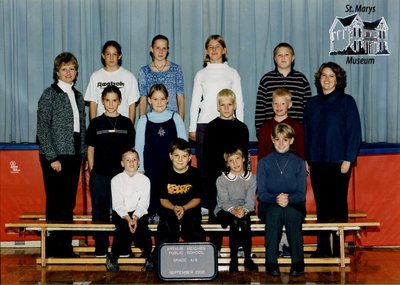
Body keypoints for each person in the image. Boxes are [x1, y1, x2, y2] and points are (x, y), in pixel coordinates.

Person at [304, 62, 362, 258]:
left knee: (338, 205)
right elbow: (306, 133)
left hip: (339, 162)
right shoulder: (311, 104)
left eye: (331, 76)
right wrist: (307, 157)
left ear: (338, 80)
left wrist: (348, 158)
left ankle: (338, 248)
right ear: (318, 79)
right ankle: (322, 248)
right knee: (322, 205)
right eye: (323, 76)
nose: (326, 80)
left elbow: (354, 132)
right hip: (318, 161)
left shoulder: (347, 101)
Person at [37, 52, 86, 257]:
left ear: (76, 72)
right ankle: (54, 248)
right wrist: (52, 158)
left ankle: (65, 247)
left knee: (68, 203)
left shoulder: (78, 95)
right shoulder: (49, 94)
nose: (68, 72)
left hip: (74, 155)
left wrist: (82, 154)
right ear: (57, 71)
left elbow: (81, 127)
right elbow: (42, 129)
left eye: (72, 69)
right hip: (56, 156)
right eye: (64, 68)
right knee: (56, 203)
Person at [189, 34, 244, 210]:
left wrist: (239, 126)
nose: (214, 50)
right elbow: (195, 102)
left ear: (224, 50)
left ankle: (230, 203)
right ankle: (207, 204)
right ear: (206, 51)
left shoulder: (232, 73)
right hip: (205, 125)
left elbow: (239, 102)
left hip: (229, 125)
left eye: (217, 46)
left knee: (228, 165)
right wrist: (192, 127)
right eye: (210, 47)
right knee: (206, 166)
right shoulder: (201, 74)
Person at [86, 85, 135, 257]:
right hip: (100, 175)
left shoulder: (127, 123)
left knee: (122, 210)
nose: (111, 104)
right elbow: (90, 148)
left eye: (114, 100)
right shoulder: (95, 123)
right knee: (100, 211)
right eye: (107, 100)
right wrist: (92, 170)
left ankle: (122, 246)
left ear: (120, 101)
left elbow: (131, 151)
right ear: (102, 102)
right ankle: (101, 246)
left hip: (121, 176)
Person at [257, 123, 307, 276]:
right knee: (275, 214)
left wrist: (288, 199)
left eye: (285, 140)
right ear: (272, 140)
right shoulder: (264, 163)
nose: (280, 143)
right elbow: (262, 194)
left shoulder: (299, 163)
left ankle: (298, 263)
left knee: (292, 215)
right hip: (269, 204)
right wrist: (276, 199)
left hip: (294, 204)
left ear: (291, 141)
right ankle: (271, 262)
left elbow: (301, 194)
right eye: (277, 139)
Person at [203, 88, 249, 250]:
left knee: (239, 214)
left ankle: (240, 248)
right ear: (218, 107)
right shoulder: (211, 128)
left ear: (235, 105)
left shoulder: (242, 128)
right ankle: (215, 248)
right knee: (216, 216)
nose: (227, 108)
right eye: (223, 105)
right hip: (216, 180)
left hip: (237, 180)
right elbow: (206, 158)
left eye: (230, 104)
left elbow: (244, 158)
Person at [135, 84, 187, 222]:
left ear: (167, 100)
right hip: (150, 166)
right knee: (152, 192)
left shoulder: (175, 118)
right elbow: (139, 146)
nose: (159, 102)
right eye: (155, 99)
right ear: (149, 101)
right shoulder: (143, 120)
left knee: (170, 192)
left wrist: (182, 166)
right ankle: (153, 213)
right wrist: (140, 169)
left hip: (171, 166)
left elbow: (183, 145)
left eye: (162, 99)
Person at [154, 138, 206, 265]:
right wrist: (174, 208)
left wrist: (184, 208)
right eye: (177, 155)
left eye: (184, 156)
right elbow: (163, 199)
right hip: (169, 209)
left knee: (193, 229)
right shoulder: (163, 173)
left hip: (190, 209)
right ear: (170, 156)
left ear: (189, 158)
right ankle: (161, 262)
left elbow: (197, 198)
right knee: (167, 228)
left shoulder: (196, 174)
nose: (180, 159)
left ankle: (198, 263)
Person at [106, 149, 152, 272]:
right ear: (122, 163)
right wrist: (128, 218)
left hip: (139, 212)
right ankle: (113, 257)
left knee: (142, 228)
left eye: (134, 159)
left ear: (139, 162)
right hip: (121, 213)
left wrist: (135, 217)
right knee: (123, 228)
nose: (131, 163)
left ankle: (149, 256)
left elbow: (143, 203)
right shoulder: (115, 180)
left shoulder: (145, 180)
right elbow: (117, 204)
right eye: (128, 160)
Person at [214, 146, 258, 272]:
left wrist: (243, 210)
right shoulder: (221, 180)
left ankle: (247, 259)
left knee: (244, 221)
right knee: (234, 221)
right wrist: (234, 210)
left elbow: (250, 201)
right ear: (227, 164)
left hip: (245, 208)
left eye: (237, 159)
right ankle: (233, 260)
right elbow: (223, 202)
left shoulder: (251, 178)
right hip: (224, 209)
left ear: (243, 159)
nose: (235, 163)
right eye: (231, 161)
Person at [255, 42, 312, 137]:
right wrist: (260, 132)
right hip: (271, 133)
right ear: (275, 58)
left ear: (293, 58)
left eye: (286, 55)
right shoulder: (266, 80)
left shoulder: (301, 79)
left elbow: (308, 108)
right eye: (279, 55)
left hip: (296, 133)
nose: (283, 58)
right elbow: (260, 108)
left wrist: (305, 132)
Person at [84, 40, 140, 122]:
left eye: (115, 54)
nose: (111, 58)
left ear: (119, 56)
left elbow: (132, 105)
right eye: (108, 54)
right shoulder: (95, 76)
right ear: (103, 55)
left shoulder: (129, 76)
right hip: (101, 125)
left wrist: (130, 127)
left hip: (122, 124)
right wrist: (93, 126)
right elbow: (93, 103)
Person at [138, 34, 185, 119]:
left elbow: (181, 99)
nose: (161, 52)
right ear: (152, 49)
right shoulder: (144, 71)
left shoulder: (176, 69)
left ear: (168, 50)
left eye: (164, 48)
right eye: (157, 48)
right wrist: (143, 122)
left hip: (172, 119)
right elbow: (143, 99)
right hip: (152, 119)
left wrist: (180, 122)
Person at [258, 88, 304, 160]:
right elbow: (261, 155)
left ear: (289, 105)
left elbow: (301, 152)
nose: (279, 107)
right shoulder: (264, 127)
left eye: (283, 103)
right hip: (270, 168)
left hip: (292, 168)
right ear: (272, 105)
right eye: (276, 103)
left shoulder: (297, 127)